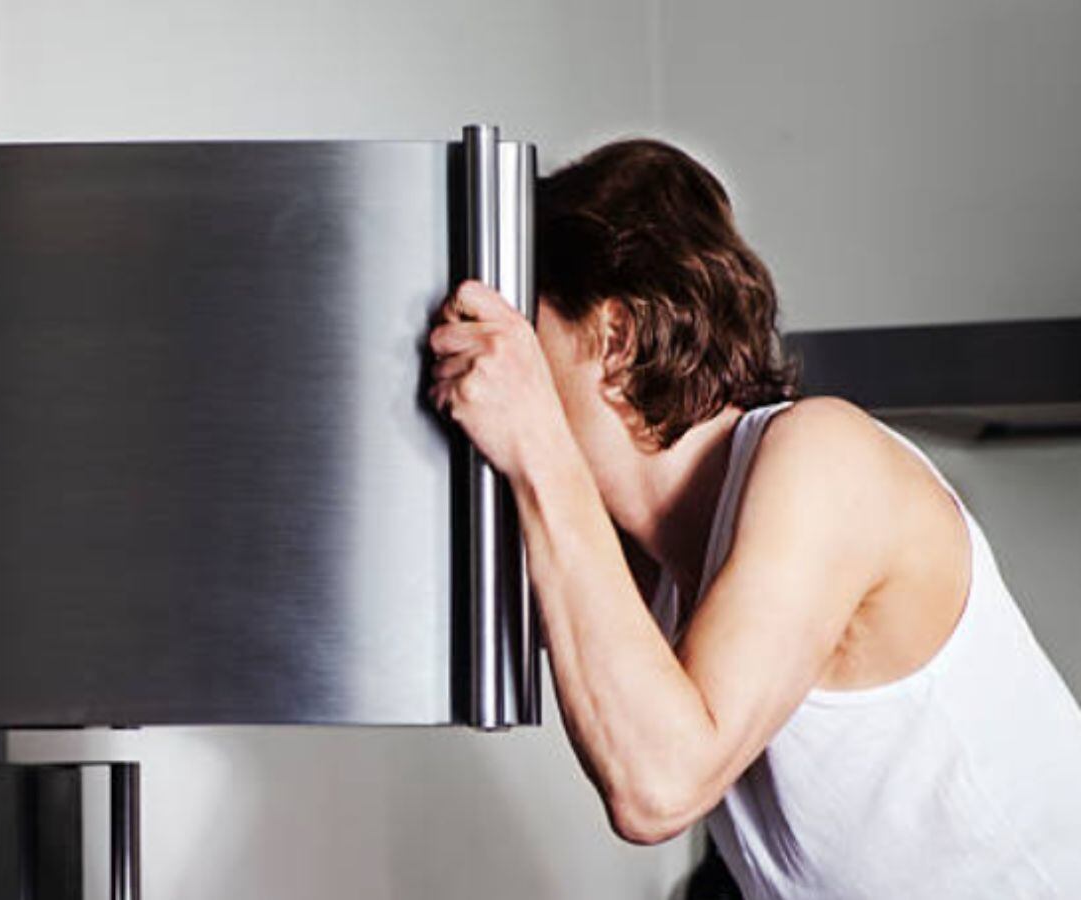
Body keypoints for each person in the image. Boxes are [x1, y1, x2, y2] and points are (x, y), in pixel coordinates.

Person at [427, 139, 1081, 899]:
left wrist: (538, 441)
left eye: (525, 339)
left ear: (615, 338)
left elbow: (659, 786)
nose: (501, 371)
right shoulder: (653, 572)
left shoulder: (826, 456)